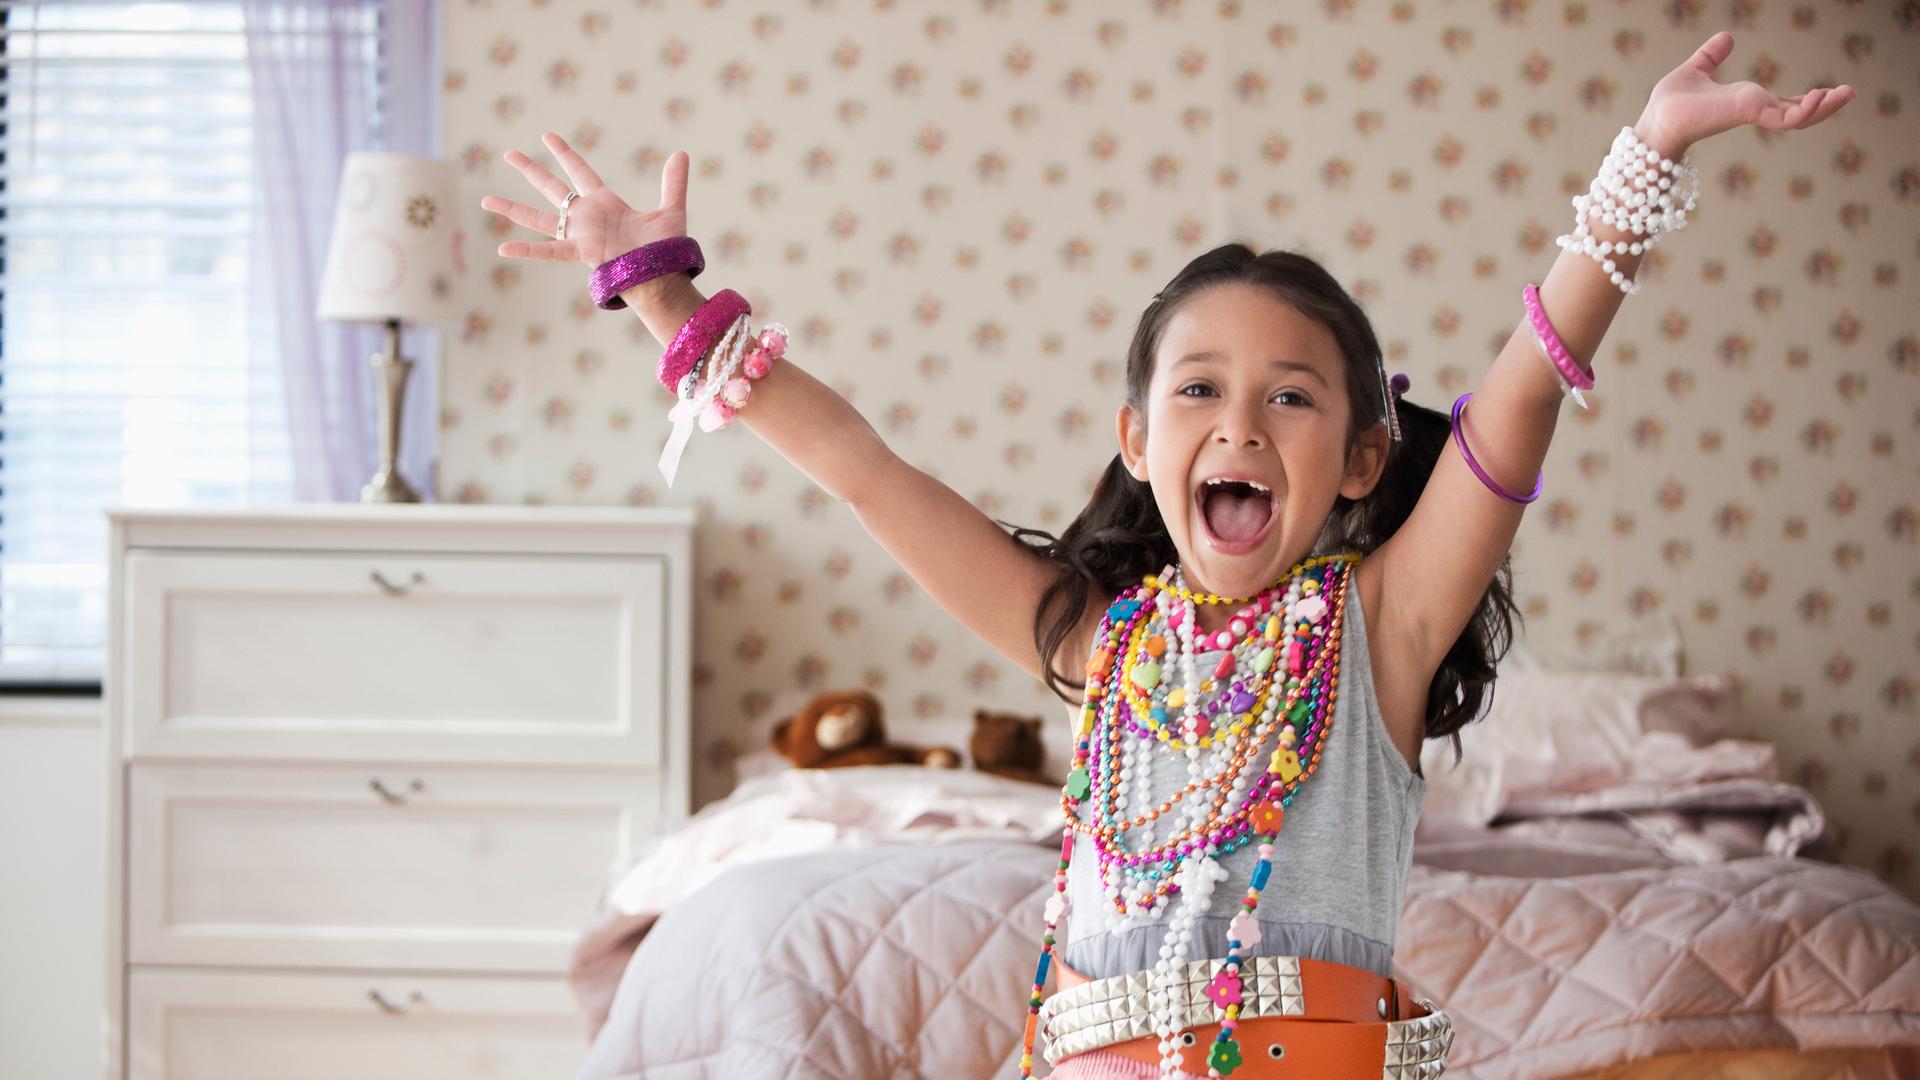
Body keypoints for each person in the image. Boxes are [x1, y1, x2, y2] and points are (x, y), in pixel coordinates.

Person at [480, 30, 1851, 1080]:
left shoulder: (1377, 629)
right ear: (1136, 438)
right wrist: (659, 292)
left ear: (1363, 460)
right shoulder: (1095, 639)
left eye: (1292, 397)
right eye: (1198, 390)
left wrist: (1643, 161)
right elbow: (864, 470)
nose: (1239, 421)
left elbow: (1521, 396)